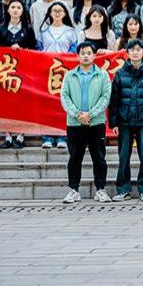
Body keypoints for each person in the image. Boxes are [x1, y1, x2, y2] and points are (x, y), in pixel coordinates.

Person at [60, 41, 112, 204]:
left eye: (89, 53)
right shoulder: (70, 75)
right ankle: (73, 190)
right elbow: (64, 97)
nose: (86, 56)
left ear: (94, 55)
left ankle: (100, 189)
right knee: (75, 157)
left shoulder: (102, 75)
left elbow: (105, 97)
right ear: (78, 56)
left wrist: (91, 114)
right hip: (75, 123)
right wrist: (77, 114)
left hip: (96, 123)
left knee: (99, 157)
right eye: (83, 53)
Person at [109, 39, 143, 202]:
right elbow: (114, 100)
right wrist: (114, 123)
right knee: (124, 156)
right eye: (132, 49)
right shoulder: (120, 73)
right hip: (124, 121)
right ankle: (123, 190)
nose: (135, 52)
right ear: (127, 52)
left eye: (138, 49)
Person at [0, 0, 36, 150]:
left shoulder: (28, 29)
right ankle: (8, 135)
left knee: (22, 104)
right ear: (8, 10)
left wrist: (22, 51)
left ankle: (20, 135)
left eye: (19, 7)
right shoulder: (0, 29)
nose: (16, 10)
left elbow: (34, 50)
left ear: (23, 11)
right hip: (5, 72)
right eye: (13, 7)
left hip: (23, 72)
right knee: (6, 104)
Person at [37, 1, 77, 150]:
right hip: (47, 73)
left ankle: (62, 136)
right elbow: (39, 50)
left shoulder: (70, 31)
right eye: (54, 10)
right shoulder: (43, 31)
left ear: (65, 13)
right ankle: (47, 137)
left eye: (60, 10)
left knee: (63, 105)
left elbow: (74, 51)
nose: (57, 13)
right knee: (47, 105)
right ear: (50, 13)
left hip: (64, 72)